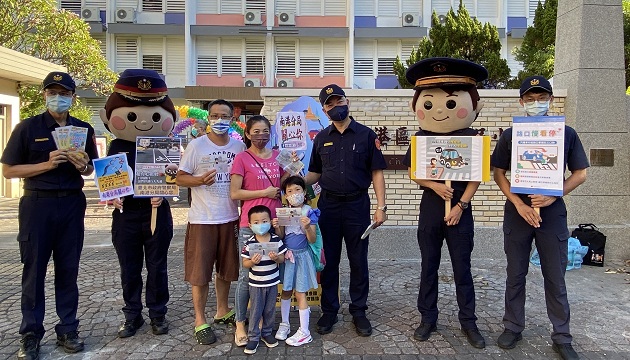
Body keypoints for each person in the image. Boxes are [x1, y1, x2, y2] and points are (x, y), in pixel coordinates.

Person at [1, 71, 97, 360]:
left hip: (71, 203)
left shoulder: (83, 129)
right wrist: (46, 164)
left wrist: (83, 165)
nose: (59, 97)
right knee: (34, 271)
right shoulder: (27, 128)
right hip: (37, 204)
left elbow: (91, 169)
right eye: (53, 92)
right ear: (44, 94)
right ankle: (30, 333)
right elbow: (9, 170)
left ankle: (68, 328)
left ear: (73, 96)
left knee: (68, 270)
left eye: (65, 93)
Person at [491, 76, 588, 360]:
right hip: (518, 214)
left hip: (553, 215)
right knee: (515, 274)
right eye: (530, 99)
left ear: (551, 100)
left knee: (555, 278)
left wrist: (554, 195)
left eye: (541, 98)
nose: (536, 103)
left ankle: (562, 335)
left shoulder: (566, 133)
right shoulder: (511, 135)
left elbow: (580, 173)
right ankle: (512, 326)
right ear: (521, 102)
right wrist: (518, 204)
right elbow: (498, 172)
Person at [402, 58, 488, 348]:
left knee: (462, 267)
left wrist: (462, 205)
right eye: (429, 103)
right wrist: (434, 185)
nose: (439, 109)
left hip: (460, 209)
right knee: (429, 265)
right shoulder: (420, 138)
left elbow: (477, 176)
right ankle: (428, 318)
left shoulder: (473, 138)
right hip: (431, 208)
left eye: (451, 103)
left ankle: (469, 322)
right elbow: (413, 171)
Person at [304, 84, 387, 337]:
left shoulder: (365, 135)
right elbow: (315, 173)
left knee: (358, 260)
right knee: (329, 261)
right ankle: (329, 311)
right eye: (329, 104)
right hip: (328, 206)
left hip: (357, 206)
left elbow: (377, 173)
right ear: (324, 109)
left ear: (347, 101)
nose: (335, 106)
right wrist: (291, 183)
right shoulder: (321, 138)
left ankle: (359, 311)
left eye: (338, 101)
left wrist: (381, 207)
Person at [99, 69, 176, 339]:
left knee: (158, 266)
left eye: (155, 115)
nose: (143, 121)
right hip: (126, 215)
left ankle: (158, 313)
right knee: (129, 267)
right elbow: (110, 179)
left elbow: (172, 177)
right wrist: (112, 195)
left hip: (157, 213)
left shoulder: (165, 144)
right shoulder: (115, 146)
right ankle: (132, 315)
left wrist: (164, 193)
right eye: (132, 115)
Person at [176, 99, 246, 345]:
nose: (219, 120)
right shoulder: (197, 146)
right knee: (200, 273)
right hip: (202, 219)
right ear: (208, 117)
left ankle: (222, 310)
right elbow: (180, 178)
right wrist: (198, 182)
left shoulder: (239, 148)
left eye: (224, 116)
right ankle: (199, 319)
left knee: (226, 270)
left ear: (231, 118)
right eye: (215, 116)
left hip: (230, 218)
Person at [230, 115, 288, 346]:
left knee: (271, 275)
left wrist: (294, 165)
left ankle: (263, 322)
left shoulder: (278, 156)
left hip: (275, 223)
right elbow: (235, 193)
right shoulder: (242, 158)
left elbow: (287, 182)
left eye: (265, 131)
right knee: (247, 276)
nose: (261, 135)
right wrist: (264, 192)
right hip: (251, 225)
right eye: (256, 131)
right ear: (248, 134)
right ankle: (241, 323)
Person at [272, 176, 320, 346]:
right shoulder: (284, 211)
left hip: (302, 257)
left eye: (297, 190)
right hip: (287, 257)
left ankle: (304, 331)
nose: (294, 194)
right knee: (285, 291)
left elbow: (312, 239)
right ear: (285, 195)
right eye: (289, 191)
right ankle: (284, 324)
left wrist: (307, 226)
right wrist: (277, 226)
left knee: (300, 292)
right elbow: (281, 237)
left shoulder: (309, 211)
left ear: (304, 192)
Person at [241, 205, 286, 354]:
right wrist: (252, 261)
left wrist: (276, 257)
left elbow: (282, 259)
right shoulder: (249, 243)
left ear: (270, 222)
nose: (261, 225)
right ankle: (253, 336)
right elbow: (245, 263)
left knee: (269, 309)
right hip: (256, 284)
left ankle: (267, 333)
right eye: (256, 222)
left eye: (264, 221)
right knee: (255, 310)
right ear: (250, 225)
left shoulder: (275, 240)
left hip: (272, 282)